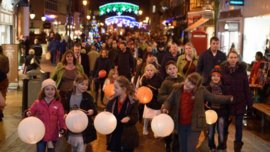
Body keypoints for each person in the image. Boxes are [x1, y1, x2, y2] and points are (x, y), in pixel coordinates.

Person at [162, 73, 233, 152]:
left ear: (196, 86)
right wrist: (165, 108)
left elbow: (214, 98)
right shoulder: (177, 89)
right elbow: (169, 101)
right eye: (188, 80)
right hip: (181, 125)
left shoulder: (201, 91)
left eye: (192, 84)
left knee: (191, 149)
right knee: (183, 148)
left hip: (195, 125)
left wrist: (229, 98)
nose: (188, 84)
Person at [220, 50, 252, 152]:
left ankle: (237, 149)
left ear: (238, 59)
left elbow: (246, 88)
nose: (233, 59)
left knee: (238, 125)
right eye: (231, 57)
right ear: (228, 58)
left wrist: (249, 102)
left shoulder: (242, 72)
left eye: (235, 57)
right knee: (225, 125)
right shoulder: (223, 71)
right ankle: (223, 144)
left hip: (240, 102)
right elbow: (220, 86)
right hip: (227, 103)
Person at [24, 79, 67, 152]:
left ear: (55, 91)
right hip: (40, 134)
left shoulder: (58, 104)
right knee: (40, 150)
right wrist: (28, 112)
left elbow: (61, 117)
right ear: (43, 91)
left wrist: (63, 128)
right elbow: (32, 110)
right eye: (47, 89)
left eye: (52, 89)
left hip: (53, 134)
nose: (50, 91)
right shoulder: (38, 103)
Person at [65, 74, 97, 152]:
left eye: (86, 85)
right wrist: (65, 114)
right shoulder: (68, 95)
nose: (84, 87)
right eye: (82, 84)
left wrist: (92, 111)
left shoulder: (88, 97)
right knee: (74, 149)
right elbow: (65, 108)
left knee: (81, 148)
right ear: (75, 83)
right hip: (72, 127)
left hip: (83, 129)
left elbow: (94, 110)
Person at [106, 76, 139, 152]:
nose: (114, 89)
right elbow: (108, 110)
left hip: (127, 136)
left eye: (116, 88)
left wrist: (129, 118)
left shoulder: (132, 102)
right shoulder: (112, 100)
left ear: (124, 89)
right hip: (114, 134)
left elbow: (135, 117)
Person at [158, 61, 184, 152]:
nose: (172, 70)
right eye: (170, 69)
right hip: (169, 110)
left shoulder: (182, 80)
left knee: (178, 130)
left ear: (177, 69)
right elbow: (160, 98)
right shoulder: (165, 83)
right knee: (168, 130)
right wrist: (171, 97)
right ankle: (167, 143)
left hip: (181, 110)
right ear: (167, 71)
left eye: (174, 68)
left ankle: (176, 146)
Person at [205, 65, 231, 152]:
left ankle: (220, 147)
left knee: (221, 131)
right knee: (211, 132)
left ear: (220, 77)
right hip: (210, 112)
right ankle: (211, 147)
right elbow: (204, 101)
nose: (215, 78)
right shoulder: (207, 88)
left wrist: (229, 114)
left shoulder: (224, 89)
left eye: (217, 76)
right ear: (211, 77)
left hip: (222, 112)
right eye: (213, 76)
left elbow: (228, 102)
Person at [141, 64, 163, 137]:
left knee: (156, 116)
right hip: (148, 99)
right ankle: (145, 128)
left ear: (154, 71)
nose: (149, 72)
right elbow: (142, 88)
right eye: (148, 70)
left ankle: (155, 130)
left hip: (156, 99)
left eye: (151, 70)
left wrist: (161, 90)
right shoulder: (144, 79)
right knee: (147, 116)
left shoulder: (158, 77)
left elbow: (162, 85)